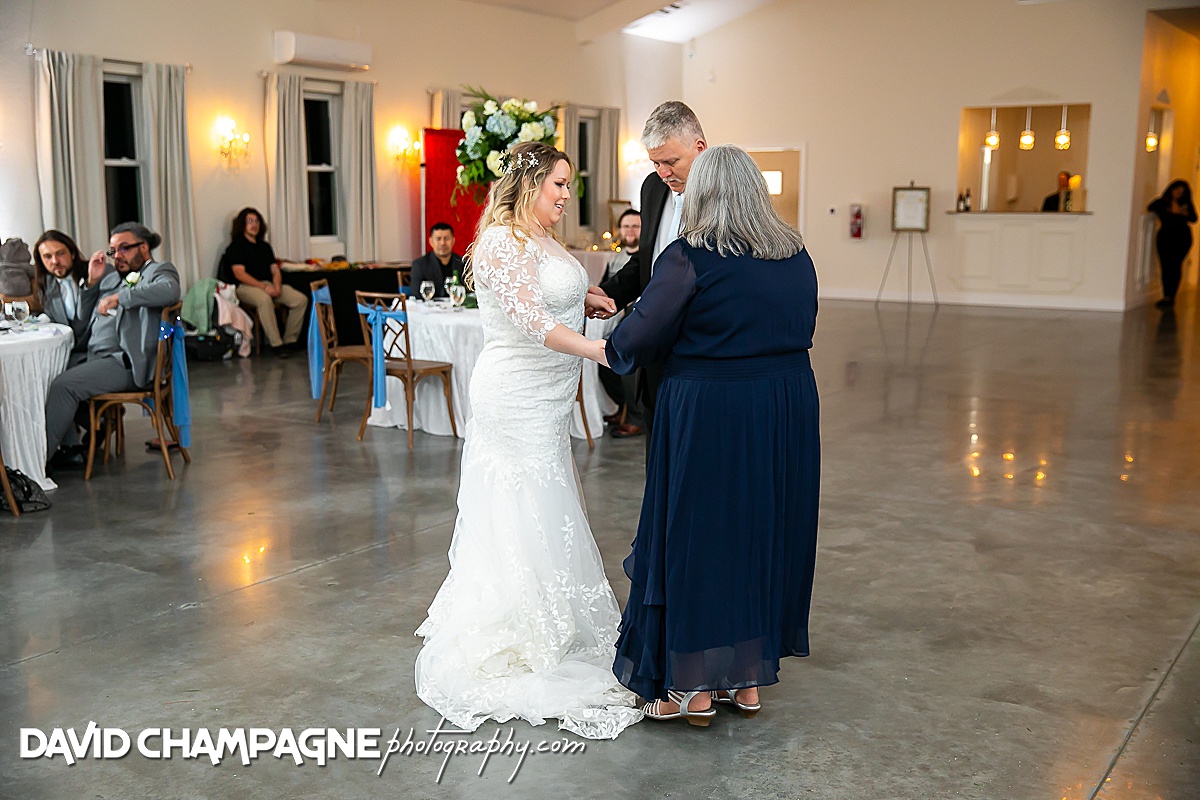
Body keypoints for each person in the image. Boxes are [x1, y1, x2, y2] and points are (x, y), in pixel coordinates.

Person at [413, 142, 640, 739]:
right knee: (522, 503)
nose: (566, 195)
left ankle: (551, 614)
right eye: (558, 184)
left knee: (548, 499)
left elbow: (547, 291)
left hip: (548, 399)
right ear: (530, 184)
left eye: (568, 185)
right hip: (514, 395)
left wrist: (586, 297)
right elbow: (532, 320)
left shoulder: (542, 237)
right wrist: (600, 350)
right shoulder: (499, 242)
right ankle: (520, 624)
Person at [604, 145, 820, 726]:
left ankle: (693, 689)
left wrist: (610, 340)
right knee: (759, 533)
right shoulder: (796, 254)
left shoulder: (689, 257)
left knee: (699, 538)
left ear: (702, 194)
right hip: (785, 406)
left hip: (711, 408)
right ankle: (745, 681)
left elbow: (638, 338)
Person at [589, 101, 707, 440]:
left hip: (701, 344)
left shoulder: (723, 195)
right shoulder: (653, 187)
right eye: (656, 163)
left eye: (671, 162)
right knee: (657, 444)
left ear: (699, 148)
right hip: (655, 342)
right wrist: (609, 292)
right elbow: (647, 259)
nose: (663, 172)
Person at [44, 223, 181, 470]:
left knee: (63, 387)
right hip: (95, 356)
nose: (117, 256)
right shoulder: (111, 277)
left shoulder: (159, 271)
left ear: (144, 247)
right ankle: (68, 449)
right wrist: (92, 284)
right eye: (113, 250)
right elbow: (82, 323)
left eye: (124, 248)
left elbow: (169, 291)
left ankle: (37, 463)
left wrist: (120, 297)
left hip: (125, 361)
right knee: (46, 374)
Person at [219, 207, 307, 358]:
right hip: (245, 287)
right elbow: (240, 274)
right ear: (242, 225)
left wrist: (277, 286)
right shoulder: (236, 246)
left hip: (267, 284)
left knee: (300, 300)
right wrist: (264, 287)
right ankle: (276, 344)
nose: (254, 225)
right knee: (264, 300)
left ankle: (290, 340)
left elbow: (275, 270)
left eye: (257, 221)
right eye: (250, 221)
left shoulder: (265, 247)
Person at [597, 209, 645, 436]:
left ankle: (635, 415)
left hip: (635, 316)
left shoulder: (648, 254)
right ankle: (621, 404)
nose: (630, 231)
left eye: (635, 226)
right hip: (612, 317)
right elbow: (605, 286)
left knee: (625, 356)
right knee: (601, 357)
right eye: (626, 226)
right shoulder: (614, 258)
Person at [34, 230, 105, 357]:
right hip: (67, 352)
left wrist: (91, 283)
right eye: (47, 257)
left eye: (60, 253)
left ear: (72, 254)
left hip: (98, 349)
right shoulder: (46, 284)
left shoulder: (97, 271)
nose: (55, 261)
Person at [1147, 180, 1197, 308]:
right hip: (1165, 237)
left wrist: (1182, 213)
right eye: (1176, 189)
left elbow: (1194, 218)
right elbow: (1151, 207)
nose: (1178, 193)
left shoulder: (1185, 204)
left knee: (1175, 265)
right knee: (1165, 265)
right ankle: (1166, 295)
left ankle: (1171, 296)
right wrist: (1169, 210)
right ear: (1171, 189)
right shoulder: (1162, 202)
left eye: (1181, 192)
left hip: (1182, 238)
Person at [409, 222, 465, 299]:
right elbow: (416, 294)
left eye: (446, 239)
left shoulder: (463, 263)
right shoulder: (420, 265)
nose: (442, 243)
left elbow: (469, 291)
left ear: (453, 240)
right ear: (431, 241)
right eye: (438, 239)